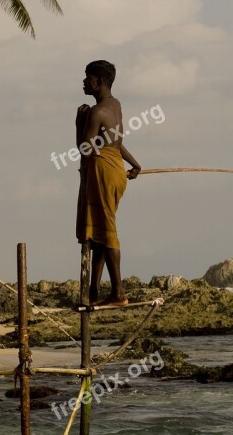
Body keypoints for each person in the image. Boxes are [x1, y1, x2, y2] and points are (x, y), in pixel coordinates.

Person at [76, 60, 141, 307]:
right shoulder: (115, 106)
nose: (84, 82)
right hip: (116, 171)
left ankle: (118, 293)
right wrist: (135, 164)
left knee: (108, 231)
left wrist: (78, 124)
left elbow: (84, 149)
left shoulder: (95, 112)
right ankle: (93, 292)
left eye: (87, 77)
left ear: (99, 82)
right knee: (100, 232)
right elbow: (115, 142)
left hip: (102, 170)